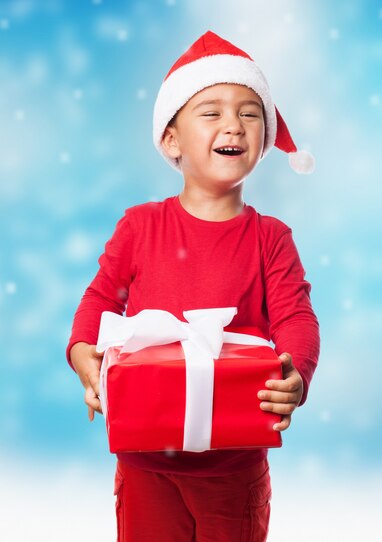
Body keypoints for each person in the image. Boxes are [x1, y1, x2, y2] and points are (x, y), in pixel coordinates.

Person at [66, 30, 320, 542]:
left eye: (250, 113)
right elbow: (101, 297)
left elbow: (295, 317)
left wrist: (296, 373)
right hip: (144, 462)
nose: (234, 124)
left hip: (235, 467)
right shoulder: (140, 226)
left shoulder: (270, 237)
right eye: (211, 112)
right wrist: (83, 353)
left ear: (265, 140)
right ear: (171, 139)